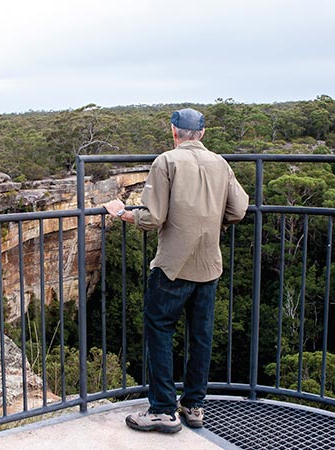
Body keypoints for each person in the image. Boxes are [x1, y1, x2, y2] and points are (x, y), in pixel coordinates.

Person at [102, 108, 249, 433]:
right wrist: (216, 221)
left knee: (159, 329)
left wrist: (121, 213)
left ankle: (164, 410)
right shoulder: (220, 164)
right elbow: (239, 209)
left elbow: (153, 217)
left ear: (174, 132)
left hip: (172, 267)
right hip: (209, 267)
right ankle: (194, 407)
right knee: (201, 336)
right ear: (203, 134)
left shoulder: (166, 162)